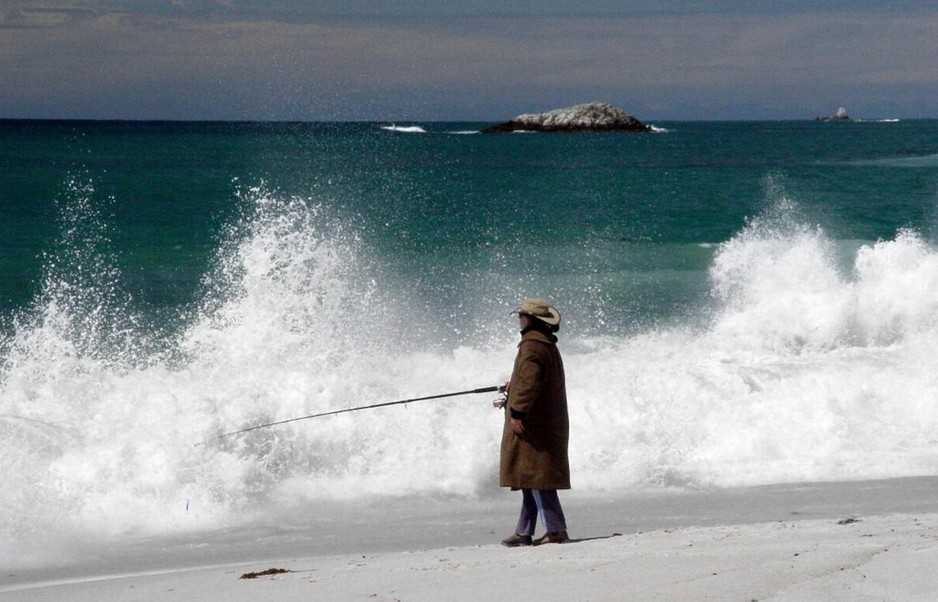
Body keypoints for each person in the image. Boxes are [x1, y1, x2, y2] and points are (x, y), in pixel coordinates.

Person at [498, 297, 570, 547]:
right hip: (545, 421)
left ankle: (556, 529)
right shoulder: (545, 343)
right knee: (530, 477)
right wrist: (513, 384)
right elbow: (531, 380)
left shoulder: (531, 346)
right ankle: (523, 531)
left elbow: (529, 385)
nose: (519, 319)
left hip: (534, 423)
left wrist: (517, 413)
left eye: (521, 316)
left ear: (529, 320)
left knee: (537, 477)